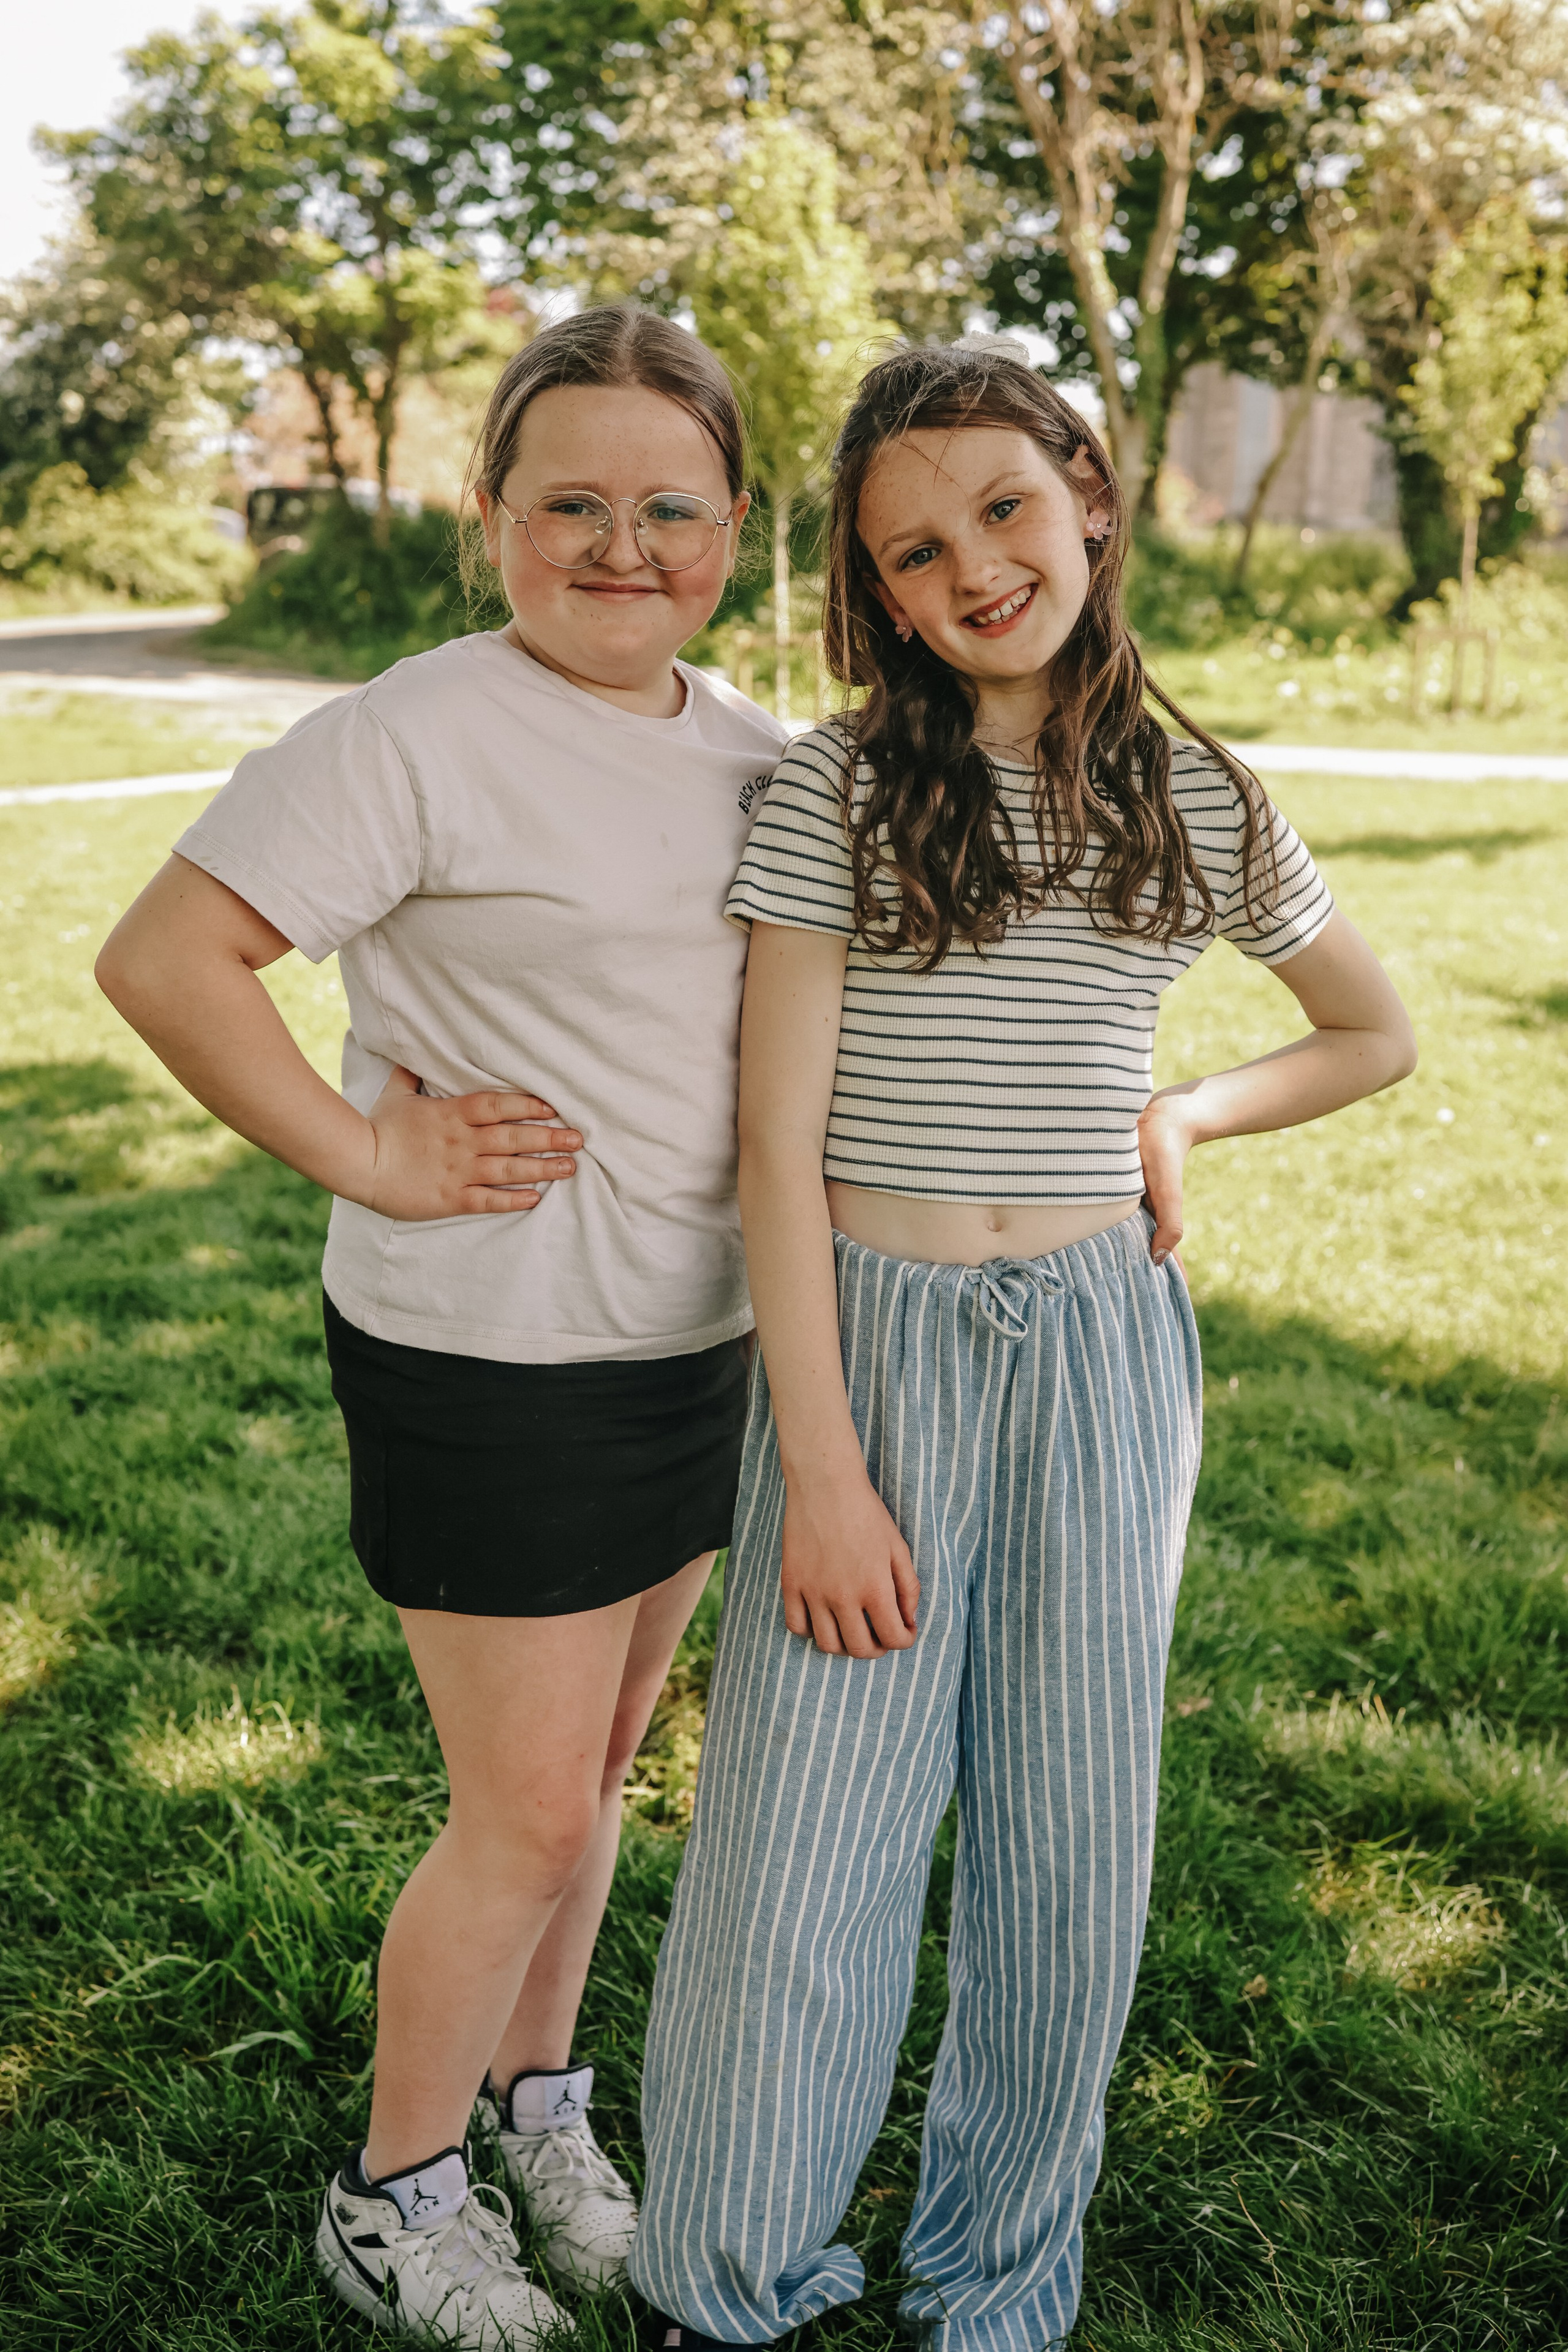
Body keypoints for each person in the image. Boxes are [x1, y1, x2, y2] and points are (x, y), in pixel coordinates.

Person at [629, 342, 1417, 2352]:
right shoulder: (839, 787)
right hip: (869, 1351)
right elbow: (773, 1152)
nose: (973, 565)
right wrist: (820, 1466)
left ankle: (994, 2277)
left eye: (1002, 505)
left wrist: (1184, 1116)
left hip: (1099, 1347)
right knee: (806, 1843)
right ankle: (729, 2278)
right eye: (915, 548)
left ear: (1088, 495)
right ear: (880, 595)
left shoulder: (1202, 791)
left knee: (1071, 1844)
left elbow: (1371, 1027)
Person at [95, 304, 788, 2351]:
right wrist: (370, 1155)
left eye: (670, 506)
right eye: (568, 501)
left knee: (601, 1767)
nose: (620, 544)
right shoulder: (417, 727)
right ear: (488, 514)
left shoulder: (749, 745)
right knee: (537, 1808)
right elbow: (169, 956)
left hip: (696, 1344)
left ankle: (538, 2103)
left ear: (734, 521)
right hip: (491, 1353)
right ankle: (393, 2192)